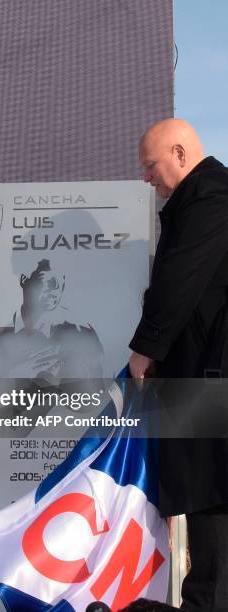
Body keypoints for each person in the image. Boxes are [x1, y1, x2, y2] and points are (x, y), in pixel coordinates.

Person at [129, 118, 228, 611]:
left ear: (181, 154)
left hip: (212, 376)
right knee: (207, 495)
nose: (147, 177)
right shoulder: (203, 199)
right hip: (205, 375)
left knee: (212, 496)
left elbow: (180, 279)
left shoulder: (210, 197)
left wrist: (146, 347)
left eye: (151, 165)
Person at [0, 258, 104, 410]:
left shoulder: (82, 334)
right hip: (5, 433)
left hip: (69, 430)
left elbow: (99, 399)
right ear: (24, 279)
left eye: (60, 281)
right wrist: (19, 377)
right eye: (48, 281)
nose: (56, 288)